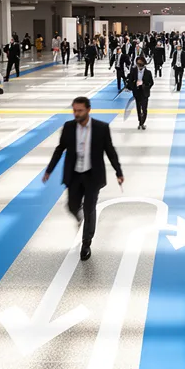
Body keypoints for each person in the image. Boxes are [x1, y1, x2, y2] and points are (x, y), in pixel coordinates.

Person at [43, 96, 124, 261]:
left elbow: (110, 151)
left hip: (92, 176)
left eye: (80, 111)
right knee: (72, 206)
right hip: (73, 175)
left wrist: (118, 172)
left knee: (90, 208)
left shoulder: (101, 128)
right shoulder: (68, 127)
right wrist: (49, 170)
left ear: (88, 110)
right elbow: (60, 149)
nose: (76, 114)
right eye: (74, 110)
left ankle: (86, 243)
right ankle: (79, 217)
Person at [127, 57, 154, 130]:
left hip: (144, 93)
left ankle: (142, 122)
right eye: (138, 64)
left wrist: (144, 86)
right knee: (138, 108)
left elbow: (151, 83)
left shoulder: (148, 73)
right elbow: (130, 81)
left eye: (140, 64)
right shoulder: (133, 71)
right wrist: (134, 85)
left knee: (144, 109)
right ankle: (140, 122)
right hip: (137, 92)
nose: (139, 66)